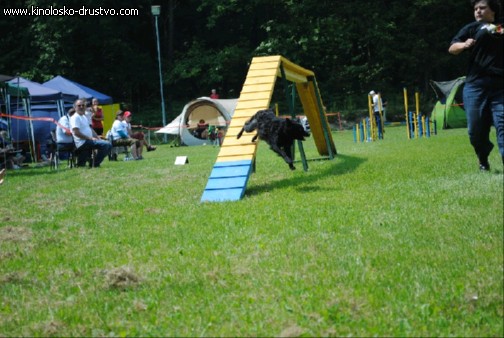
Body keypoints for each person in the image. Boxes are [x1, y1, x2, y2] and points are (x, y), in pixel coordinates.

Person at [449, 0, 503, 171]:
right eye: (475, 9)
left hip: (500, 87)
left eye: (482, 8)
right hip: (475, 86)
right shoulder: (471, 29)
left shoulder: (501, 28)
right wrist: (464, 45)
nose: (478, 11)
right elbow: (452, 48)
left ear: (493, 11)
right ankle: (483, 157)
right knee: (475, 131)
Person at [70, 99, 111, 168]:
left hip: (89, 141)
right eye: (79, 105)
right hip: (82, 142)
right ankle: (95, 163)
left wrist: (97, 137)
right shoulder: (75, 117)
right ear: (75, 107)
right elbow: (76, 132)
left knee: (108, 144)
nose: (81, 107)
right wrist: (90, 138)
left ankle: (93, 162)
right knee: (106, 145)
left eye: (83, 105)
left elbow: (90, 129)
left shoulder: (83, 117)